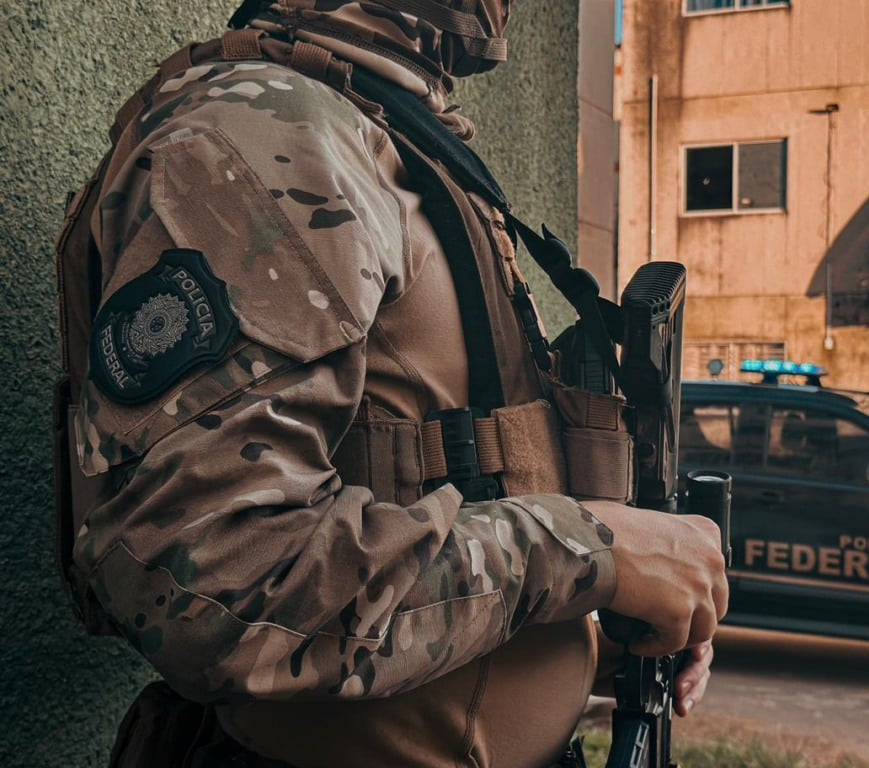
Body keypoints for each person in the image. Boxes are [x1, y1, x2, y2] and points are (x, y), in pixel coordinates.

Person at [60, 1, 729, 765]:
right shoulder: (267, 134)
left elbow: (432, 479)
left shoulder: (379, 126)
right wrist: (591, 551)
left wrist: (597, 617)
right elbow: (215, 587)